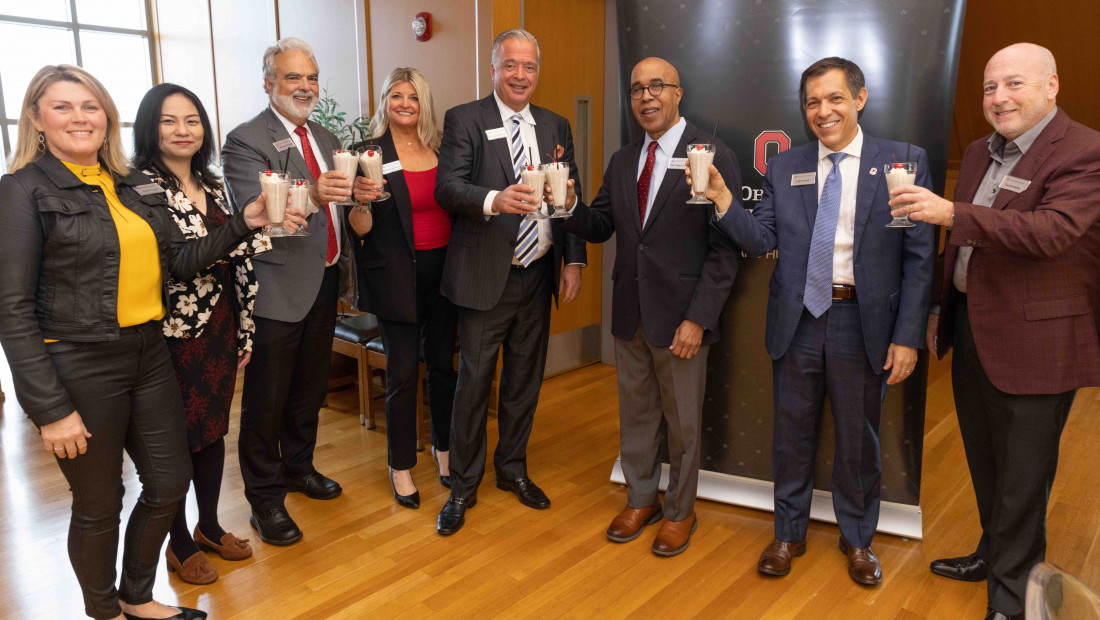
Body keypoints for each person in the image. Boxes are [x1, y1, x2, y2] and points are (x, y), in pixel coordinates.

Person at [0, 64, 298, 620]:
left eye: (90, 106)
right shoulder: (22, 190)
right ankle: (106, 609)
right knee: (99, 503)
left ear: (107, 116)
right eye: (62, 107)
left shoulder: (127, 185)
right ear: (37, 119)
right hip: (79, 361)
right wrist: (49, 409)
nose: (79, 117)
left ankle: (136, 595)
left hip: (148, 352)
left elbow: (179, 263)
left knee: (168, 480)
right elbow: (12, 308)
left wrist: (246, 220)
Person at [705, 57, 935, 584]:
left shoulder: (902, 160)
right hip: (799, 319)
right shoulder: (786, 166)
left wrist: (907, 337)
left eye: (834, 98)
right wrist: (722, 200)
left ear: (860, 99)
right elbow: (762, 240)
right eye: (812, 102)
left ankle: (858, 541)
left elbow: (920, 259)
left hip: (864, 323)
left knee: (858, 440)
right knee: (791, 434)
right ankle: (788, 534)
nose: (823, 111)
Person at [893, 43, 1100, 620]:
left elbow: (1050, 232)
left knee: (1023, 479)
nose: (999, 98)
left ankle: (1012, 599)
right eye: (989, 88)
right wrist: (938, 308)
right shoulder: (981, 152)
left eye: (1014, 84)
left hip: (1038, 344)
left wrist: (950, 213)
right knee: (987, 463)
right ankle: (994, 552)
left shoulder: (1086, 151)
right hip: (974, 334)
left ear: (1051, 86)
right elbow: (960, 248)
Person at [557, 57, 740, 556]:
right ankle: (642, 498)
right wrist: (569, 207)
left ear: (678, 93)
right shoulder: (622, 161)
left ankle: (681, 511)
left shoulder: (712, 152)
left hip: (682, 319)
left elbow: (726, 252)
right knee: (635, 415)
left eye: (657, 86)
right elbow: (600, 225)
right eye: (636, 88)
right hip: (630, 313)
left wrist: (699, 318)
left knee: (682, 425)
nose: (645, 97)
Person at [433, 28, 587, 536]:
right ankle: (462, 485)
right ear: (494, 68)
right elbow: (448, 187)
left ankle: (513, 469)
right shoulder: (466, 119)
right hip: (485, 276)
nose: (521, 75)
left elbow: (571, 197)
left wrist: (573, 260)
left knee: (524, 382)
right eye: (511, 65)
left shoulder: (554, 123)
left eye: (529, 67)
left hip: (537, 272)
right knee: (474, 385)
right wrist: (494, 199)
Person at [221, 37, 358, 547]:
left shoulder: (323, 135)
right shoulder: (244, 139)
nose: (305, 87)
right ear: (268, 83)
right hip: (275, 285)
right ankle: (265, 499)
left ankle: (300, 467)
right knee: (267, 399)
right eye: (293, 78)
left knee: (309, 387)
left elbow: (338, 208)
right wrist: (318, 194)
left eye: (311, 78)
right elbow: (260, 213)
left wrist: (355, 196)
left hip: (324, 279)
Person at [132, 83, 260, 585]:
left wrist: (245, 328)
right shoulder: (139, 186)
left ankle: (208, 525)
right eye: (169, 120)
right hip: (174, 334)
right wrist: (244, 228)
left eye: (192, 120)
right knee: (177, 443)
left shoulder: (213, 182)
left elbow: (242, 254)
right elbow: (175, 265)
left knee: (212, 433)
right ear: (150, 127)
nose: (183, 130)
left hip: (223, 326)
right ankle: (178, 542)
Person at [349, 67, 457, 509]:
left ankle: (443, 447)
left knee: (444, 367)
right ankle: (399, 465)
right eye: (397, 95)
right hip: (395, 276)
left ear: (424, 103)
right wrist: (359, 202)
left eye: (414, 96)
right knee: (401, 373)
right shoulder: (365, 153)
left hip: (446, 271)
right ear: (385, 103)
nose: (405, 103)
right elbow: (359, 229)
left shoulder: (446, 148)